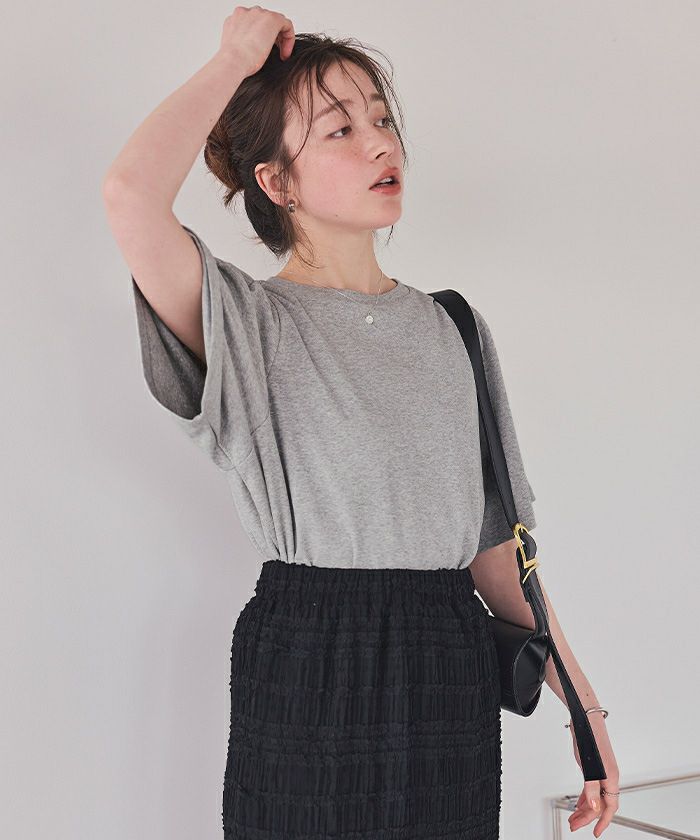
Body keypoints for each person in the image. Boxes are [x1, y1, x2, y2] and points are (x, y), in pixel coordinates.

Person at [102, 6, 620, 838]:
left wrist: (584, 712)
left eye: (382, 120)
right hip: (310, 652)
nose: (381, 144)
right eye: (340, 130)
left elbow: (496, 553)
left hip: (448, 660)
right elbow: (130, 195)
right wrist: (233, 60)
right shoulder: (246, 323)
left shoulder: (453, 326)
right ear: (277, 183)